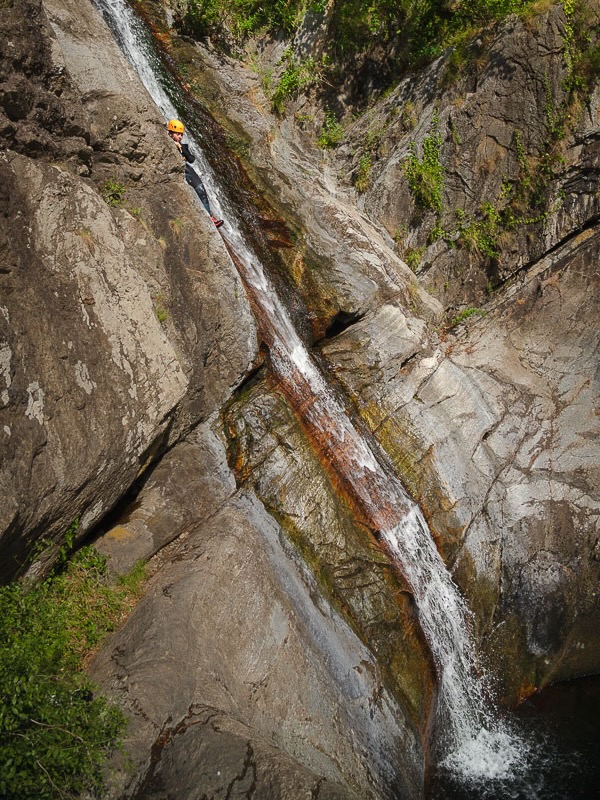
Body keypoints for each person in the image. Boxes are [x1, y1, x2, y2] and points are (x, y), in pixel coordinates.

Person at [166, 119, 223, 228]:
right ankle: (209, 218)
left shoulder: (181, 146)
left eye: (181, 135)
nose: (180, 137)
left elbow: (191, 159)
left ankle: (210, 217)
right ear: (170, 133)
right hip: (180, 170)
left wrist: (181, 147)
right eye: (178, 134)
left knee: (201, 189)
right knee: (198, 191)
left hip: (186, 168)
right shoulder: (167, 142)